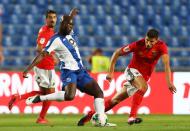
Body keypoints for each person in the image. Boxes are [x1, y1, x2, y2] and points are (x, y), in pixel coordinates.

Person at [22, 14, 115, 127]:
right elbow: (42, 54)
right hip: (68, 71)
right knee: (70, 96)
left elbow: (67, 22)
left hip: (81, 71)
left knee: (98, 92)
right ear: (63, 25)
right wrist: (28, 69)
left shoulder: (70, 35)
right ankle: (40, 98)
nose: (71, 27)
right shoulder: (55, 39)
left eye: (72, 25)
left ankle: (101, 120)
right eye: (68, 25)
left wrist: (71, 15)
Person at [77, 28, 177, 126]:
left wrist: (169, 83)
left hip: (143, 77)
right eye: (147, 40)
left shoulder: (161, 47)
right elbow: (117, 53)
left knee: (115, 100)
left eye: (151, 42)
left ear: (156, 41)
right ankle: (132, 117)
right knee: (144, 87)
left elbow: (166, 65)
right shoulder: (138, 44)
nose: (148, 43)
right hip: (132, 71)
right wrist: (111, 72)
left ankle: (88, 116)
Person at [8, 9, 78, 124]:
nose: (52, 19)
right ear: (46, 19)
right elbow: (39, 48)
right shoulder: (45, 31)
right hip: (44, 68)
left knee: (46, 94)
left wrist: (70, 16)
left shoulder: (51, 30)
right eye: (50, 17)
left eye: (54, 17)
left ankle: (19, 98)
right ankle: (40, 117)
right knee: (50, 95)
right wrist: (53, 56)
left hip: (47, 67)